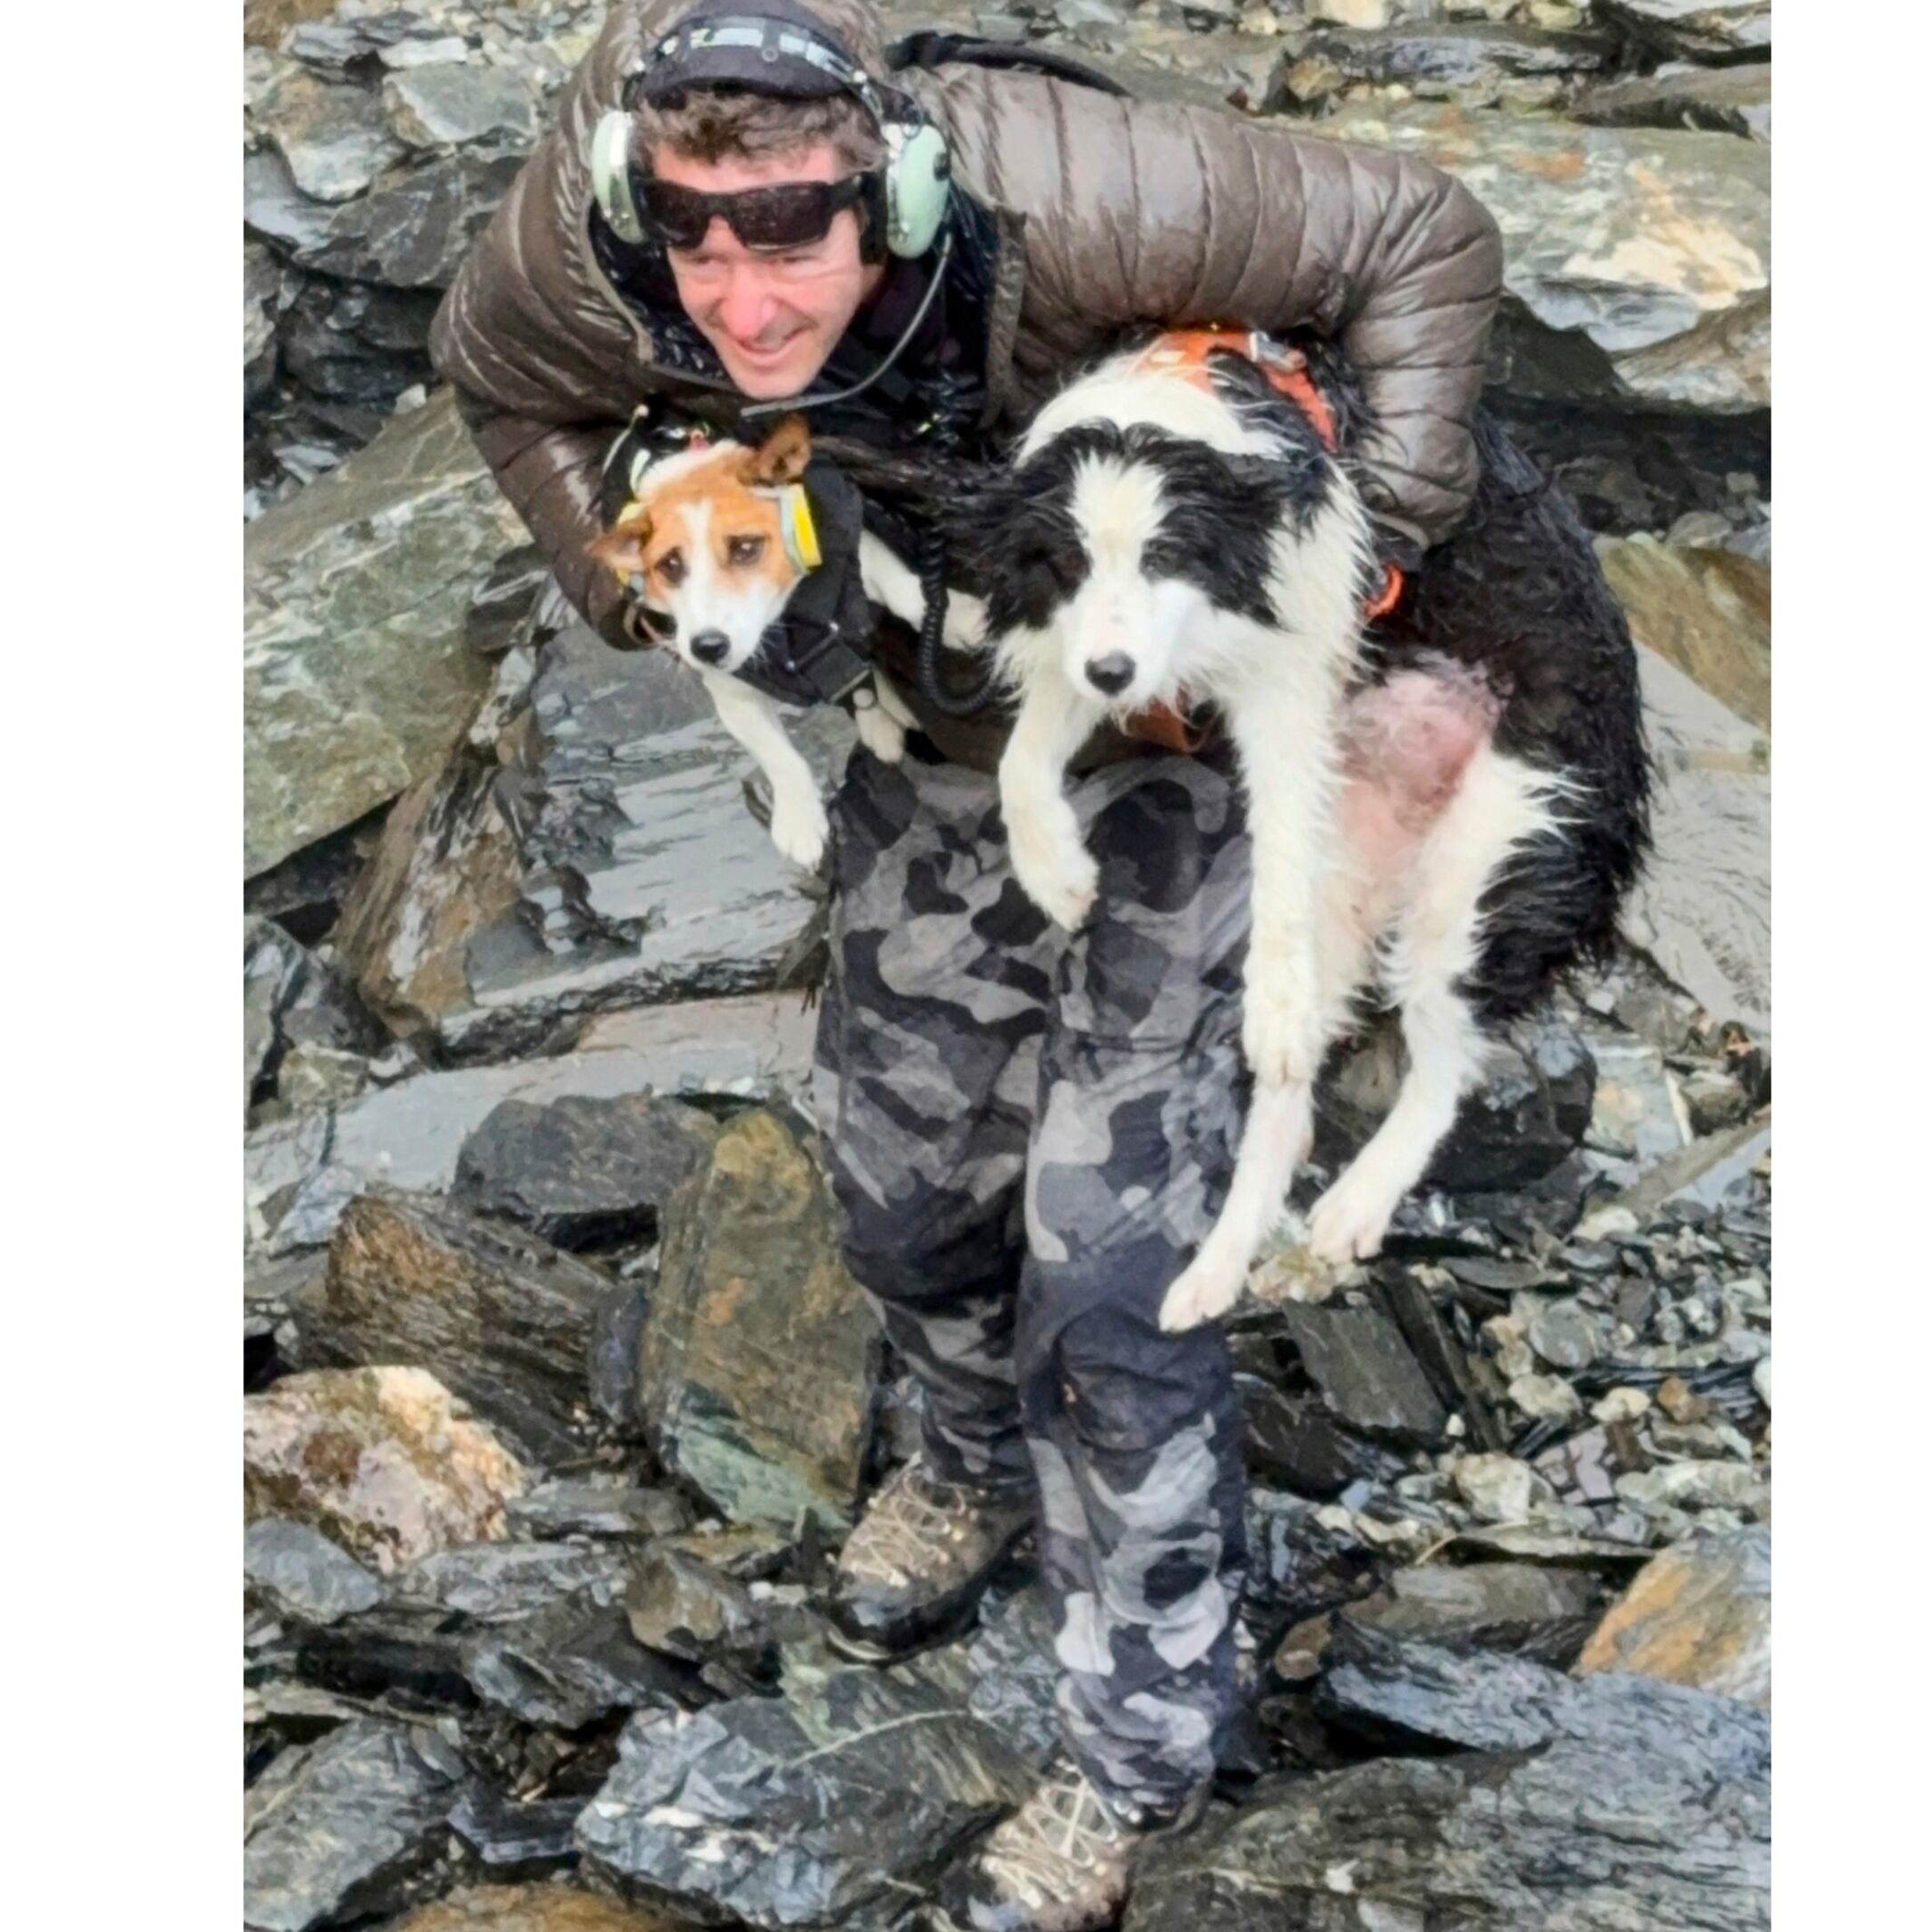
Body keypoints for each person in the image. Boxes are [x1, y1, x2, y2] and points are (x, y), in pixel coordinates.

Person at [429, 4, 1501, 1924]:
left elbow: (1417, 232)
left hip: (1197, 721)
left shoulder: (1070, 192)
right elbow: (496, 381)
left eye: (793, 236)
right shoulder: (577, 252)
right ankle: (964, 1458)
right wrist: (620, 576)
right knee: (904, 1183)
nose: (744, 304)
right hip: (947, 725)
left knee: (1113, 1268)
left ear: (897, 191)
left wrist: (1357, 564)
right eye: (697, 239)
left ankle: (1138, 1755)